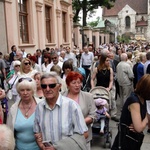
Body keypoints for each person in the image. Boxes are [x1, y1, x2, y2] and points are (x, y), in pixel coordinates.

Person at [33, 72, 88, 150]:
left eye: (52, 86)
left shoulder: (71, 106)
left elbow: (83, 134)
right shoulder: (39, 107)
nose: (47, 89)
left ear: (59, 86)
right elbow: (37, 132)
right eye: (44, 86)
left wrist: (57, 147)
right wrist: (41, 145)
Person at [111, 74, 150, 150]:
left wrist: (142, 123)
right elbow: (139, 128)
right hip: (126, 141)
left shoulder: (143, 100)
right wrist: (146, 118)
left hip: (133, 140)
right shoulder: (134, 101)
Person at [63, 71, 96, 150]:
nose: (77, 85)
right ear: (68, 84)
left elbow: (93, 116)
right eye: (74, 83)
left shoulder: (88, 96)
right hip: (64, 138)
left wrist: (78, 122)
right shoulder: (61, 96)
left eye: (79, 82)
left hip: (83, 137)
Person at [7, 77, 43, 150]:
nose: (25, 93)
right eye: (22, 90)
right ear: (18, 92)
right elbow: (9, 131)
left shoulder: (41, 105)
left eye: (28, 90)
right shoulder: (13, 108)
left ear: (33, 91)